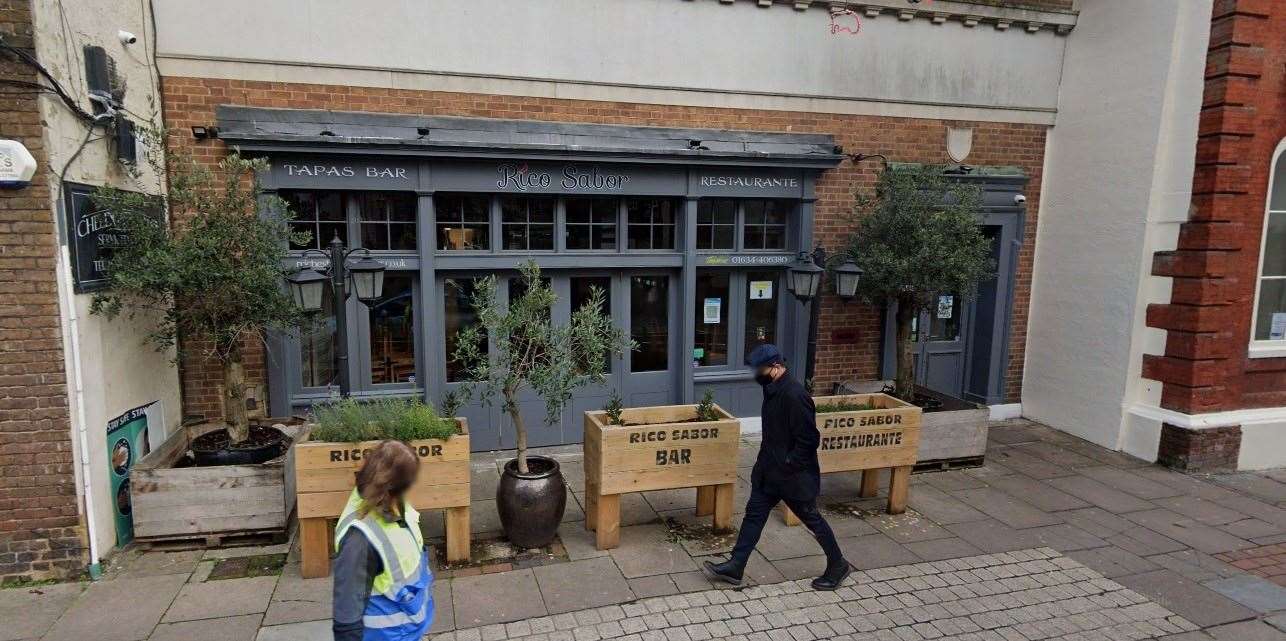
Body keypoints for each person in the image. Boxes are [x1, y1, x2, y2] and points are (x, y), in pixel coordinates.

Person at [703, 344, 850, 591]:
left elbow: (808, 440)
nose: (756, 375)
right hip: (769, 472)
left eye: (760, 369)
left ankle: (838, 565)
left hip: (793, 476)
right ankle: (736, 566)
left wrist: (789, 463)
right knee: (754, 515)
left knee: (811, 519)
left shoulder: (794, 395)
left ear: (776, 367)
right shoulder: (772, 390)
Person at [333, 440, 434, 641]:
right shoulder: (359, 540)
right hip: (387, 635)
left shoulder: (393, 503)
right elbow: (346, 616)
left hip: (405, 630)